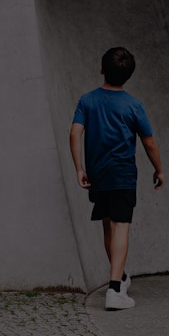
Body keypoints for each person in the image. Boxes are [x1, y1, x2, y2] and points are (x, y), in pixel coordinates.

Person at [70, 47, 164, 310]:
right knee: (121, 226)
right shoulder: (133, 105)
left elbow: (75, 133)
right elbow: (149, 142)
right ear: (128, 75)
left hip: (98, 174)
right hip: (122, 174)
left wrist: (79, 168)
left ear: (101, 68)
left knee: (108, 226)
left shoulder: (87, 100)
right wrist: (159, 169)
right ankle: (114, 290)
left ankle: (120, 277)